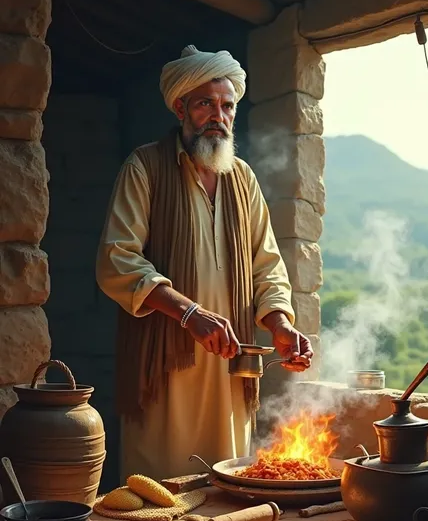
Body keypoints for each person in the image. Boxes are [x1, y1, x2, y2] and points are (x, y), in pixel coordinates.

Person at [96, 45, 314, 482]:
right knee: (159, 488)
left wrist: (280, 325)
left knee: (225, 481)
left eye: (227, 106)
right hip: (163, 364)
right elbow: (116, 259)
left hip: (229, 367)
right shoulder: (145, 167)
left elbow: (266, 265)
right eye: (205, 104)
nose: (218, 115)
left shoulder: (243, 178)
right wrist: (189, 313)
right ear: (181, 107)